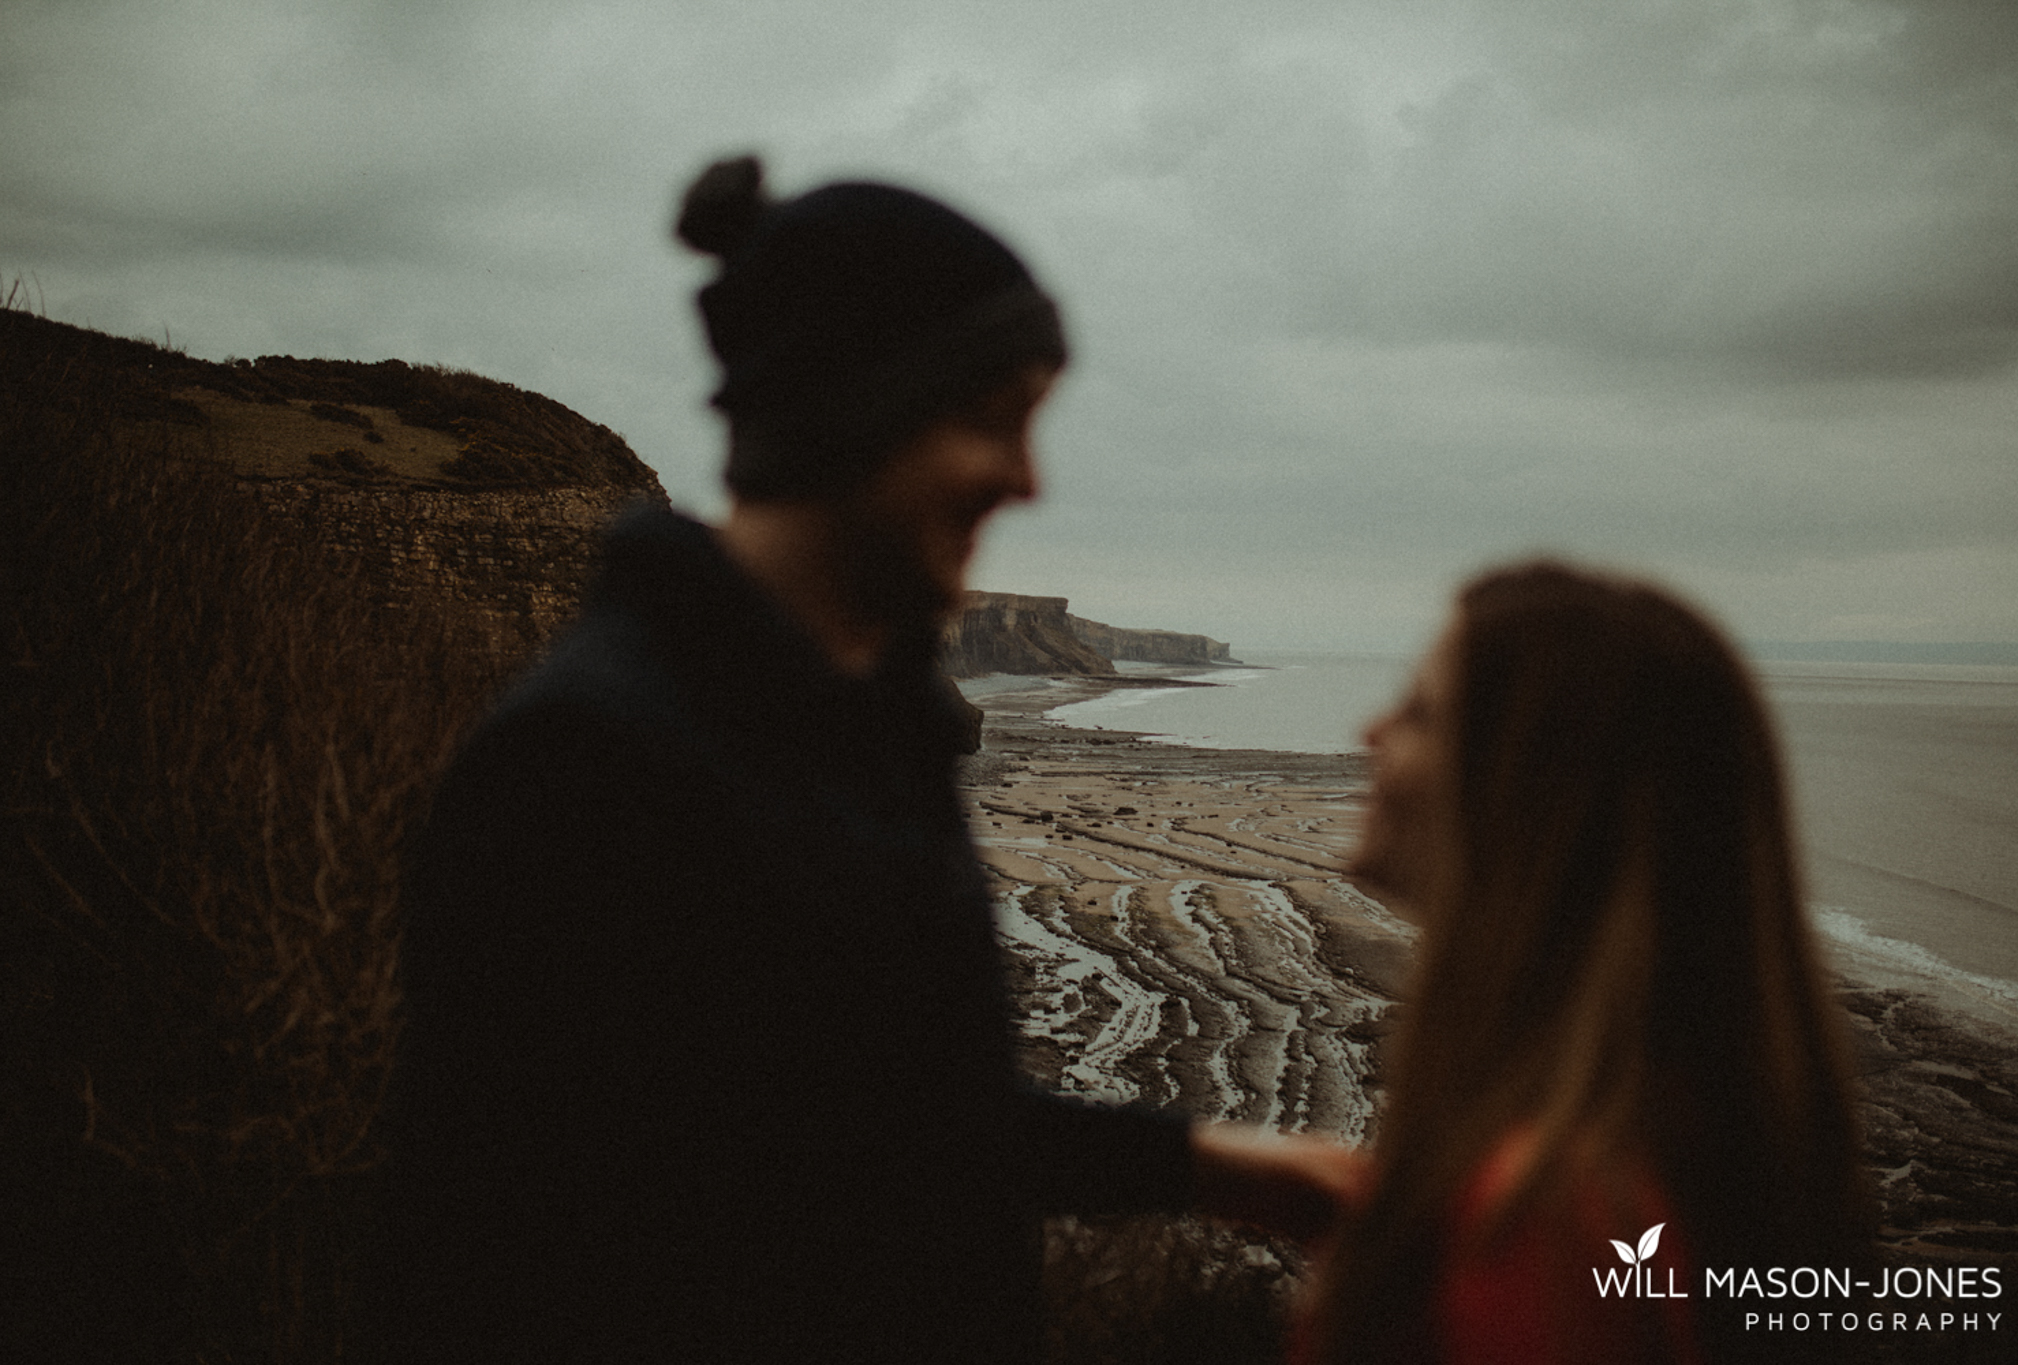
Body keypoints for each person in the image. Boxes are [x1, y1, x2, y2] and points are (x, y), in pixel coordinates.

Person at [383, 155, 1358, 1364]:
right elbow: (495, 1259)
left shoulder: (867, 718)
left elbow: (872, 1119)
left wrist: (1213, 1168)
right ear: (855, 408)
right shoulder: (587, 764)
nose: (1026, 478)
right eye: (993, 423)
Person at [1294, 562, 1872, 1364]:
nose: (1370, 732)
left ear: (1530, 799)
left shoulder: (1549, 1216)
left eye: (1422, 712)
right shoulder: (1613, 1155)